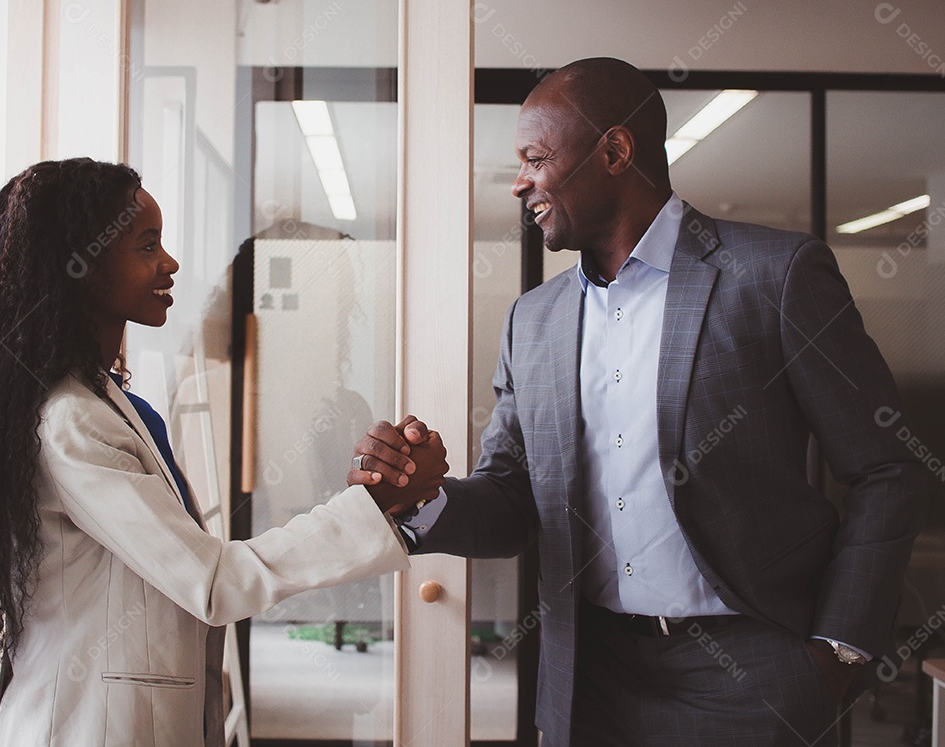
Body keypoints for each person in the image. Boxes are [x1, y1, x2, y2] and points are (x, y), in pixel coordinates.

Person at [350, 58, 927, 747]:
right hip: (588, 679)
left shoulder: (773, 276)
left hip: (755, 679)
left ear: (616, 151)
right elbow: (511, 500)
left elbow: (888, 469)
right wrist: (427, 494)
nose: (519, 182)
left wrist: (838, 653)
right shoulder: (533, 320)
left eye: (536, 156)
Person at [0, 158, 445, 747]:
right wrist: (375, 502)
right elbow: (212, 581)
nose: (170, 263)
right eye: (146, 245)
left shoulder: (110, 401)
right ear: (79, 267)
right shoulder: (71, 422)